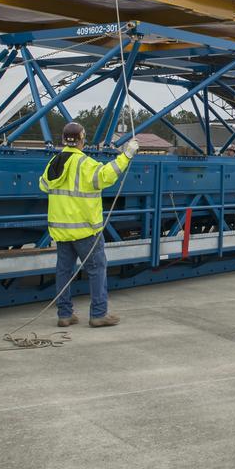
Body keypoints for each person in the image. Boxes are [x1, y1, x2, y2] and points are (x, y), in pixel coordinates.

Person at [40, 121, 139, 328]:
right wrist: (127, 155)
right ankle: (98, 314)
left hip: (61, 231)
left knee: (63, 272)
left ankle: (65, 315)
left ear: (62, 140)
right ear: (82, 140)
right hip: (85, 230)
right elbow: (106, 176)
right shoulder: (85, 164)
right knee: (96, 270)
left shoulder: (54, 163)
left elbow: (43, 184)